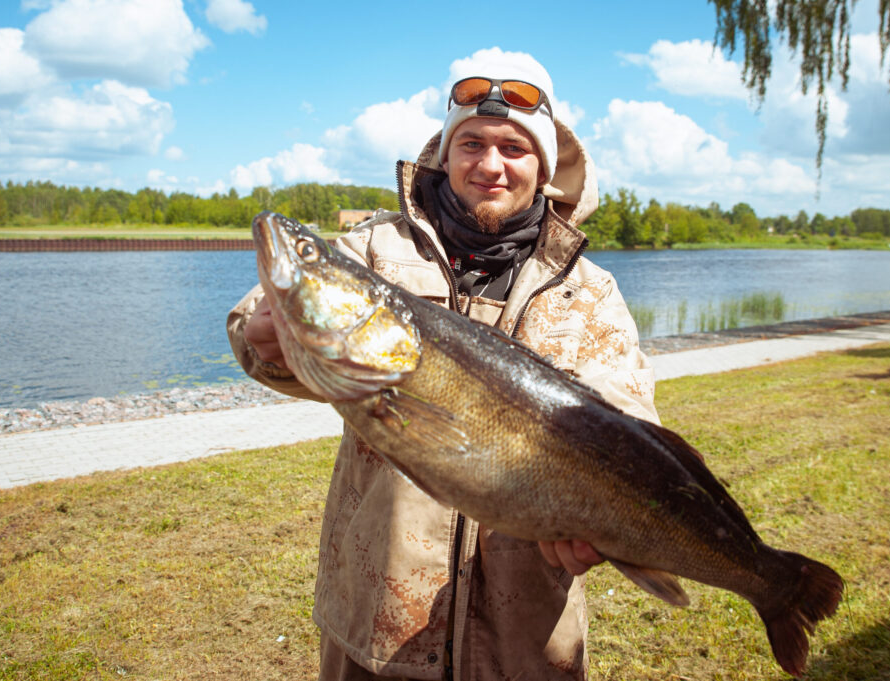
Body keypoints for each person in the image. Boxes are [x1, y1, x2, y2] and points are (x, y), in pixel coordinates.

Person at [227, 51, 661, 681]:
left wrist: (603, 516)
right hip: (376, 622)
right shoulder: (374, 249)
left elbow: (627, 416)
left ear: (544, 167)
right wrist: (264, 340)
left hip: (526, 641)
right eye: (472, 143)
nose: (491, 165)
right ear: (445, 152)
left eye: (514, 147)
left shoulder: (587, 290)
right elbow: (254, 322)